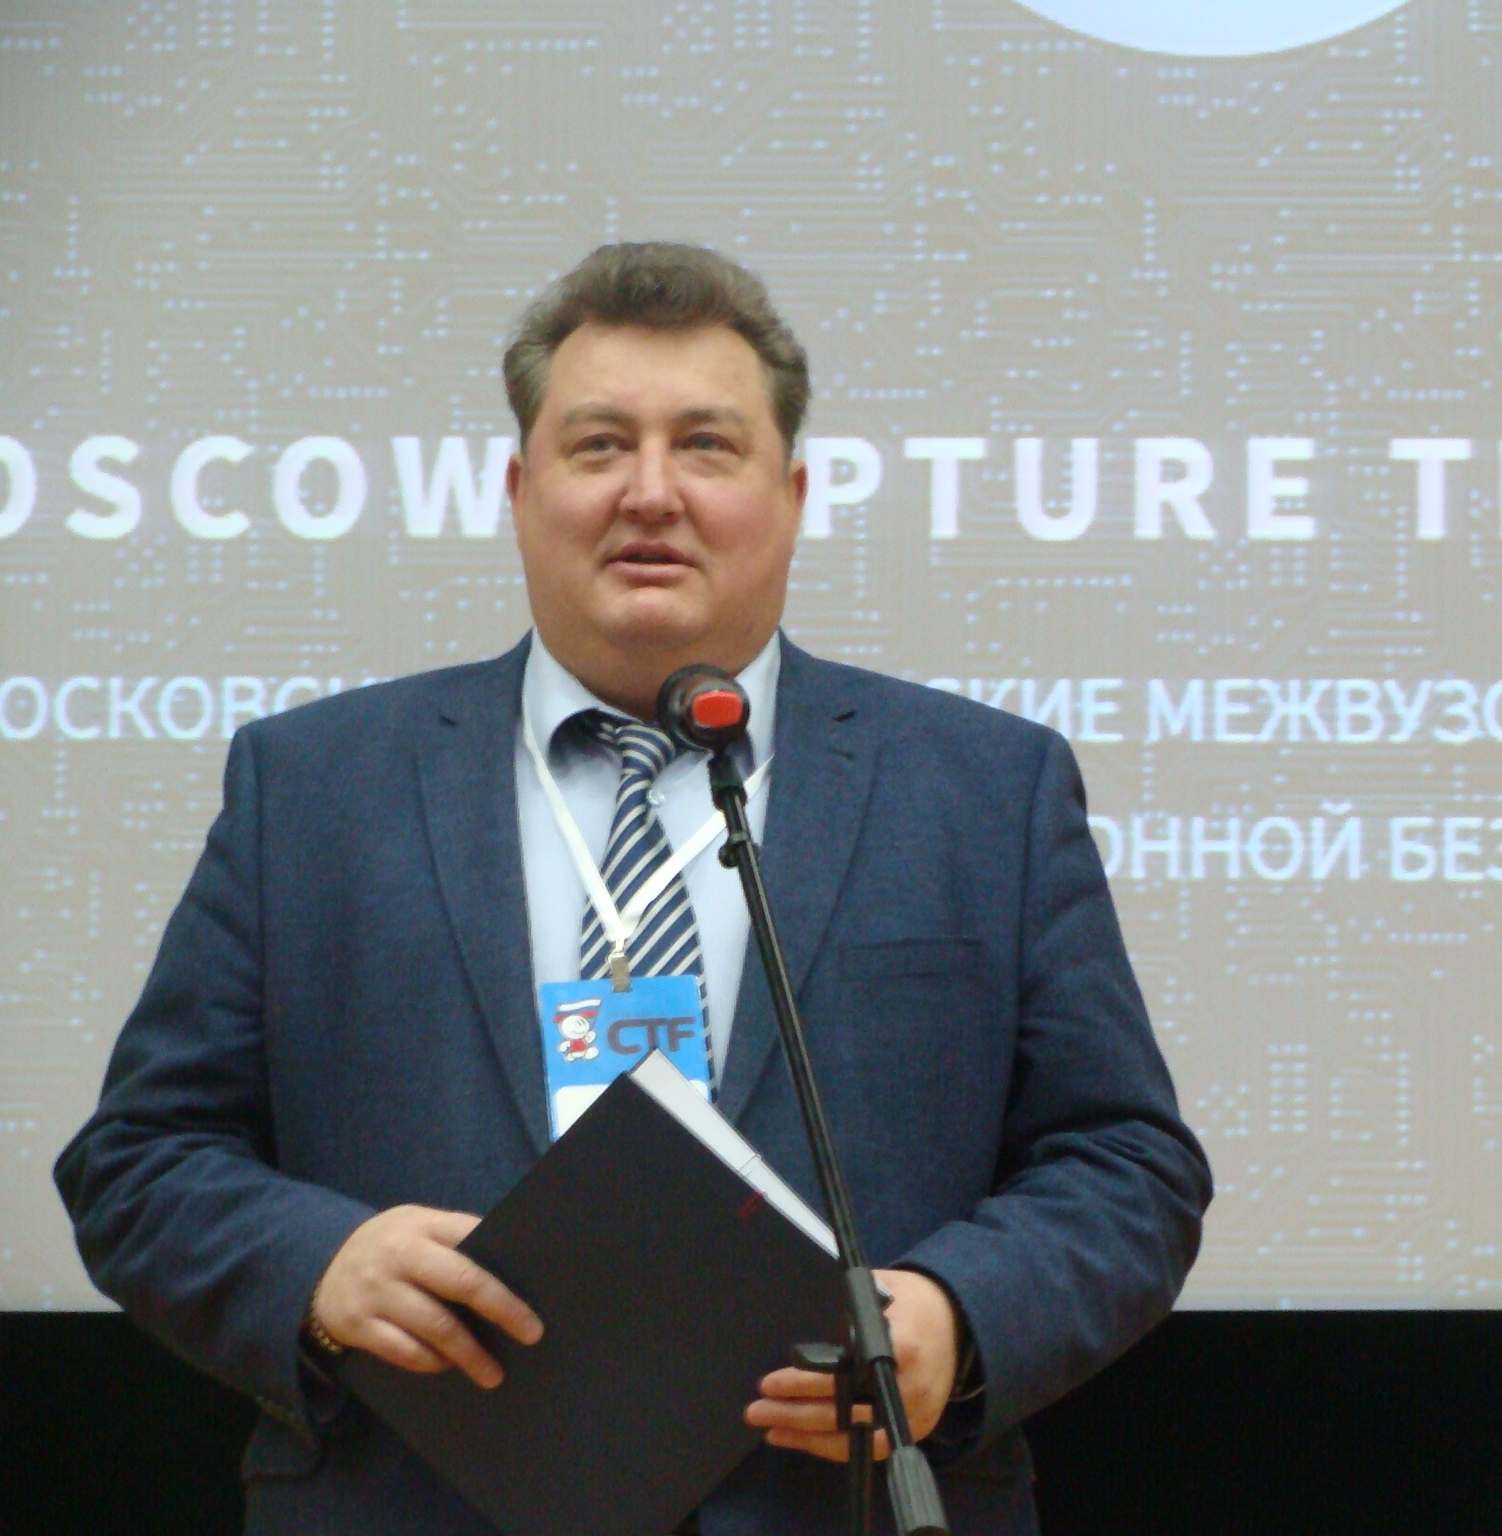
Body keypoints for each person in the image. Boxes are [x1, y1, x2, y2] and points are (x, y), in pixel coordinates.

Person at [54, 242, 1211, 1536]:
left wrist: (957, 1317)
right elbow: (139, 1162)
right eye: (599, 445)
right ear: (518, 490)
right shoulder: (314, 788)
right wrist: (317, 1269)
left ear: (793, 494)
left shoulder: (984, 789)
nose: (650, 493)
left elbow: (1128, 1164)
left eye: (706, 446)